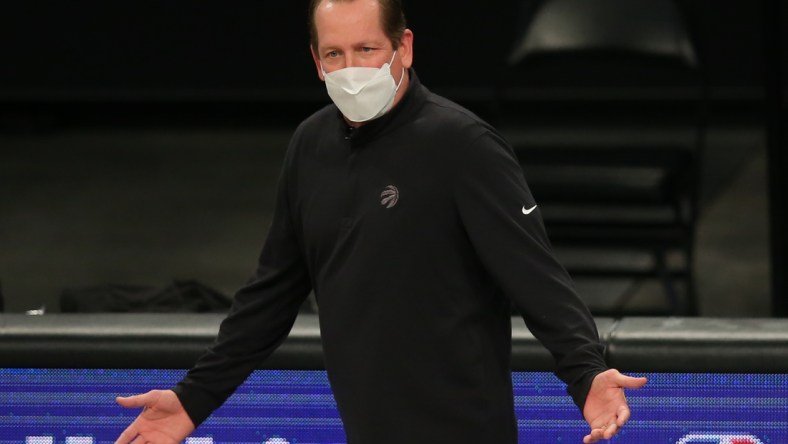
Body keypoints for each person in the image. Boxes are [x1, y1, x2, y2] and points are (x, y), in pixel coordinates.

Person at [114, 1, 648, 443]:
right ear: (316, 61)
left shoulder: (463, 147)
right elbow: (271, 295)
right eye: (335, 53)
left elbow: (536, 278)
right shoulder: (309, 147)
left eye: (366, 49)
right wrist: (193, 398)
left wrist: (587, 373)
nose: (351, 68)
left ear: (404, 48)